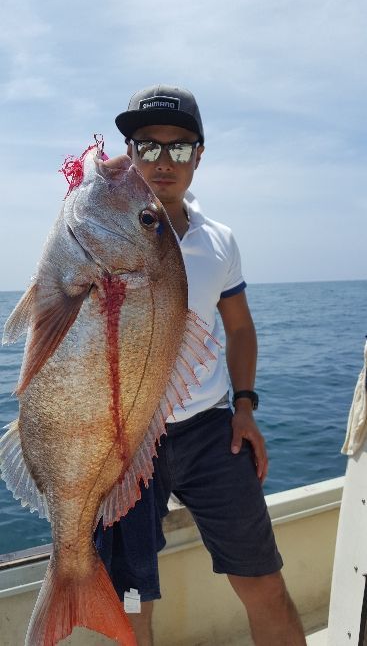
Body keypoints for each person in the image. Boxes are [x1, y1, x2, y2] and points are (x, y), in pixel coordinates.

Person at [95, 84, 306, 646]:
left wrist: (245, 406)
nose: (163, 161)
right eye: (147, 146)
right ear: (128, 152)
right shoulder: (97, 230)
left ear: (200, 154)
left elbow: (238, 327)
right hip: (128, 437)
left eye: (180, 148)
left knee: (265, 583)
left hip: (212, 433)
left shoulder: (219, 240)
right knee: (132, 603)